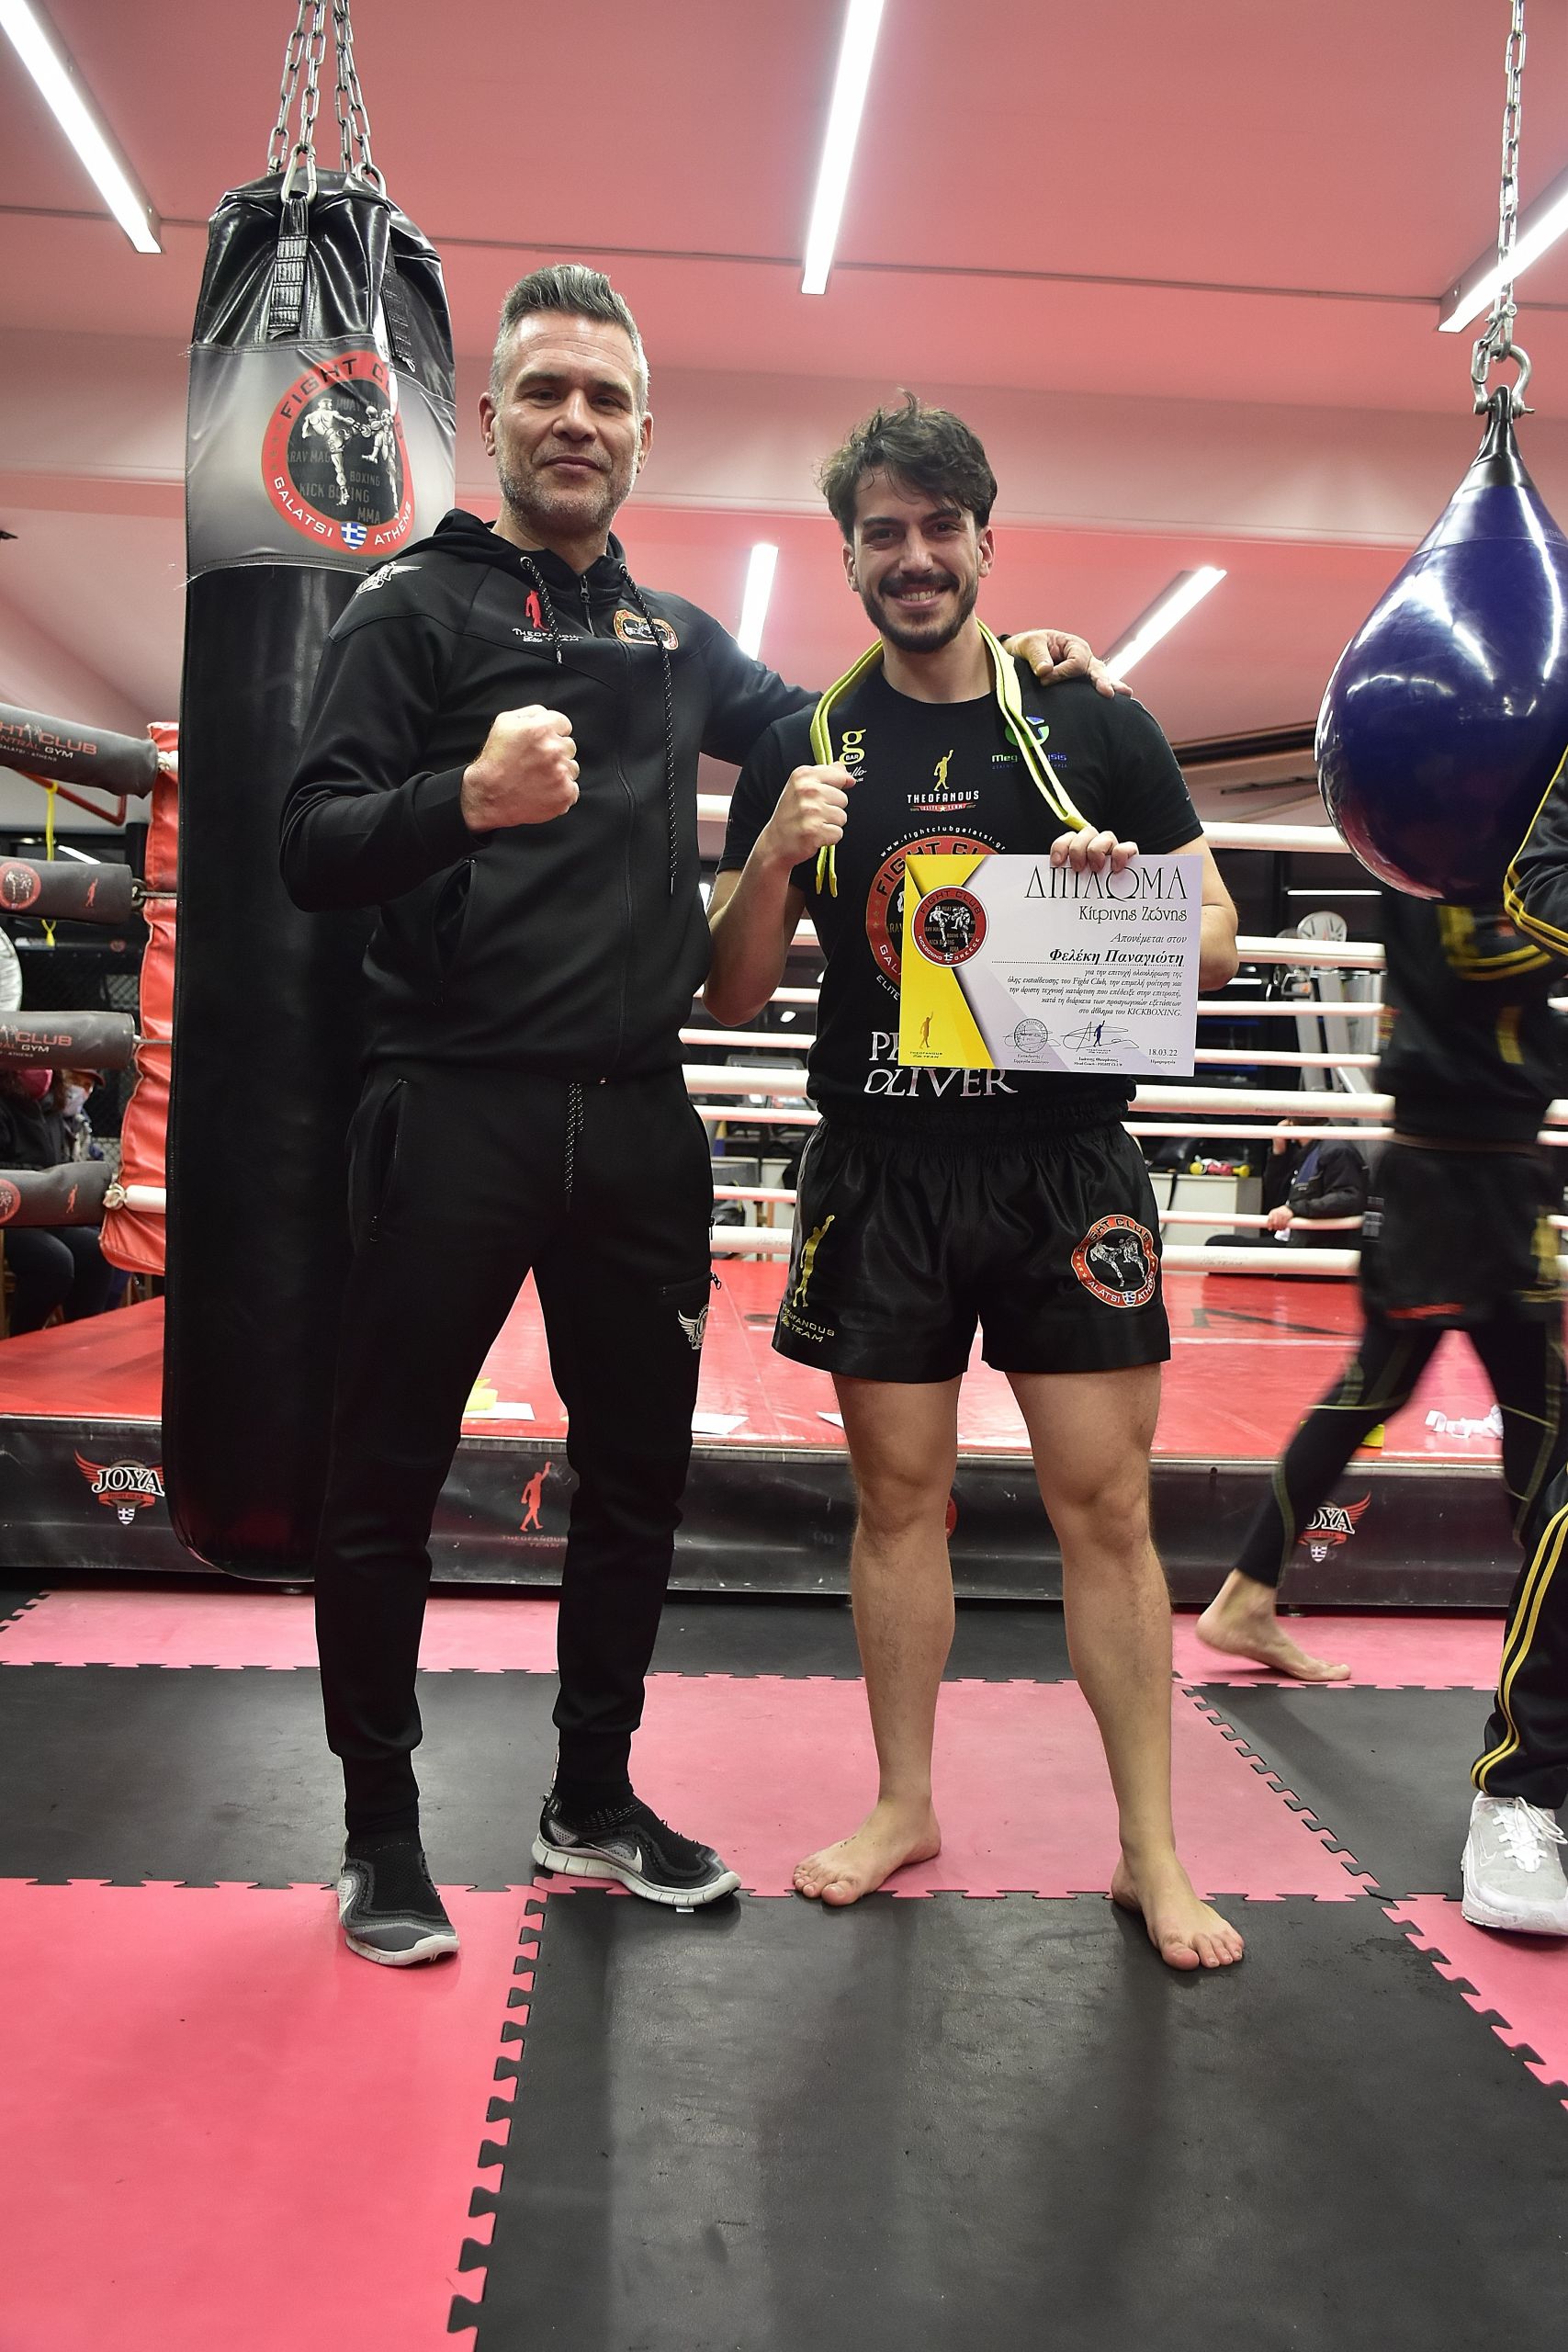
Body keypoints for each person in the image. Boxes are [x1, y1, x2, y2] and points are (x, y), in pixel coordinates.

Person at [282, 269, 1117, 1967]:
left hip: (636, 1122)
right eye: (544, 392)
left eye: (604, 397)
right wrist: (462, 799)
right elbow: (306, 842)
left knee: (635, 1486)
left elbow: (853, 724)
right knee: (384, 1476)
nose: (574, 421)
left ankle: (590, 1801)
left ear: (643, 432)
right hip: (450, 1109)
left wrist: (1019, 671)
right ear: (492, 418)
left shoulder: (675, 643)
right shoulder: (410, 611)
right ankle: (378, 1830)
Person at [705, 394, 1246, 1971]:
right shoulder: (801, 746)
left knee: (1108, 1508)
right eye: (882, 532)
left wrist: (1121, 895)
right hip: (880, 1168)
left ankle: (1149, 1850)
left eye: (940, 527)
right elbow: (728, 992)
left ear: (984, 542)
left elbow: (1216, 943)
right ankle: (903, 1804)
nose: (914, 556)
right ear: (848, 556)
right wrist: (769, 858)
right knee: (894, 1503)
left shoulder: (1087, 724)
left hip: (1060, 1165)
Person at [1199, 890, 1568, 1937]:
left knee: (1534, 1409)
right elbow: (1487, 961)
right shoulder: (1444, 852)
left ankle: (1252, 1594)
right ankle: (1246, 1595)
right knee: (1386, 1392)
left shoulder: (1506, 856)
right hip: (1444, 1176)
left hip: (1501, 1175)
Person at [0, 1067, 117, 1337]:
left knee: (98, 1249)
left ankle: (81, 1340)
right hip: (9, 1217)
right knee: (54, 1262)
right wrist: (40, 1178)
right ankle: (21, 1340)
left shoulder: (52, 1107)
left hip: (44, 1212)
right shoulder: (6, 1104)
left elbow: (59, 1165)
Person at [1207, 1119, 1368, 1252]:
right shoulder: (1305, 1152)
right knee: (1216, 1246)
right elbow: (1273, 1195)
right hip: (1294, 1242)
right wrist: (1279, 1151)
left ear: (1290, 1123)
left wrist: (1294, 1209)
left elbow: (1348, 1198)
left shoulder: (1336, 1150)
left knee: (1217, 1246)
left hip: (1310, 1249)